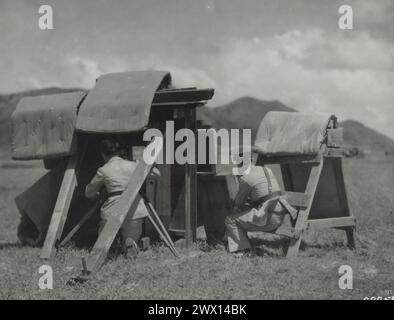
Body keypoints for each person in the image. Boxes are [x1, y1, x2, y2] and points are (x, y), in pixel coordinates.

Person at [85, 139, 156, 257]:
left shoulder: (104, 170)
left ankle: (111, 247)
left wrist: (98, 194)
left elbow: (89, 192)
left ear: (103, 154)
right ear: (118, 152)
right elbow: (156, 173)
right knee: (130, 239)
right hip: (134, 212)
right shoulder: (134, 165)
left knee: (104, 240)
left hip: (112, 211)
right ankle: (128, 245)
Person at [224, 163, 288, 254]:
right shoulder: (266, 170)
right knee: (244, 214)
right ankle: (233, 242)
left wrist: (238, 180)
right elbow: (263, 194)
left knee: (230, 219)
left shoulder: (245, 179)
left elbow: (238, 203)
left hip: (269, 221)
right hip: (280, 215)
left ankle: (242, 250)